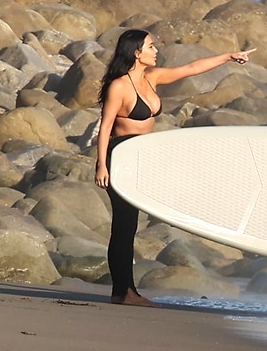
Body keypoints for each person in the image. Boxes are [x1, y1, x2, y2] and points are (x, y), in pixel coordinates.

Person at [94, 29, 254, 307]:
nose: (156, 50)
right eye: (151, 46)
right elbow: (105, 126)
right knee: (124, 225)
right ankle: (124, 292)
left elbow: (191, 69)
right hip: (119, 156)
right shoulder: (119, 86)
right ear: (136, 52)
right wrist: (101, 166)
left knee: (130, 226)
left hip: (141, 156)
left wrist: (228, 57)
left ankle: (124, 292)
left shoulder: (151, 78)